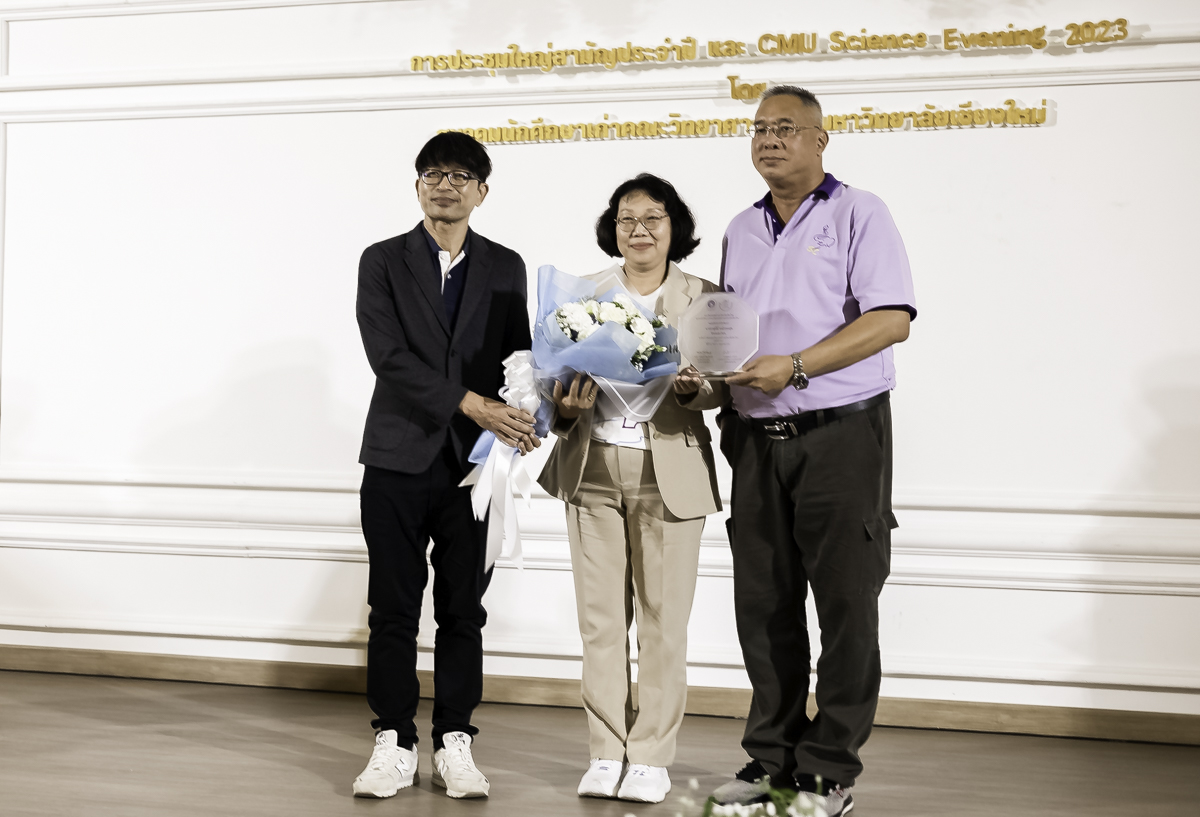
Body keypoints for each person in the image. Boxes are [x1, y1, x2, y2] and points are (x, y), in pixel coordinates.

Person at [711, 87, 917, 817]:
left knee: (845, 603)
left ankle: (827, 770)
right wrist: (704, 380)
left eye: (786, 128)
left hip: (841, 435)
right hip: (755, 441)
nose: (769, 140)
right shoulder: (741, 227)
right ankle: (771, 760)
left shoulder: (859, 212)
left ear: (820, 139)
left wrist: (796, 366)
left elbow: (891, 320)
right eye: (759, 129)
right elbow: (730, 336)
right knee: (764, 605)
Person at [352, 132, 539, 800]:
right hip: (397, 457)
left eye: (461, 175)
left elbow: (518, 355)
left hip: (476, 467)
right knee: (393, 609)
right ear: (417, 186)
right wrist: (472, 404)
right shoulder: (382, 260)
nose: (445, 185)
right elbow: (388, 357)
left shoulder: (506, 265)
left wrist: (527, 410)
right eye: (433, 173)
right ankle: (394, 740)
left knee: (464, 611)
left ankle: (455, 738)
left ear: (481, 192)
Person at [537, 174, 724, 804]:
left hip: (669, 471)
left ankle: (649, 757)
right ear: (612, 228)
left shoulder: (704, 297)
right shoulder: (582, 294)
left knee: (663, 623)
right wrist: (563, 406)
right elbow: (551, 389)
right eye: (626, 219)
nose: (638, 229)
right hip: (590, 466)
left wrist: (699, 388)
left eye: (652, 218)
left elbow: (723, 388)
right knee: (599, 622)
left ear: (675, 227)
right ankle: (604, 750)